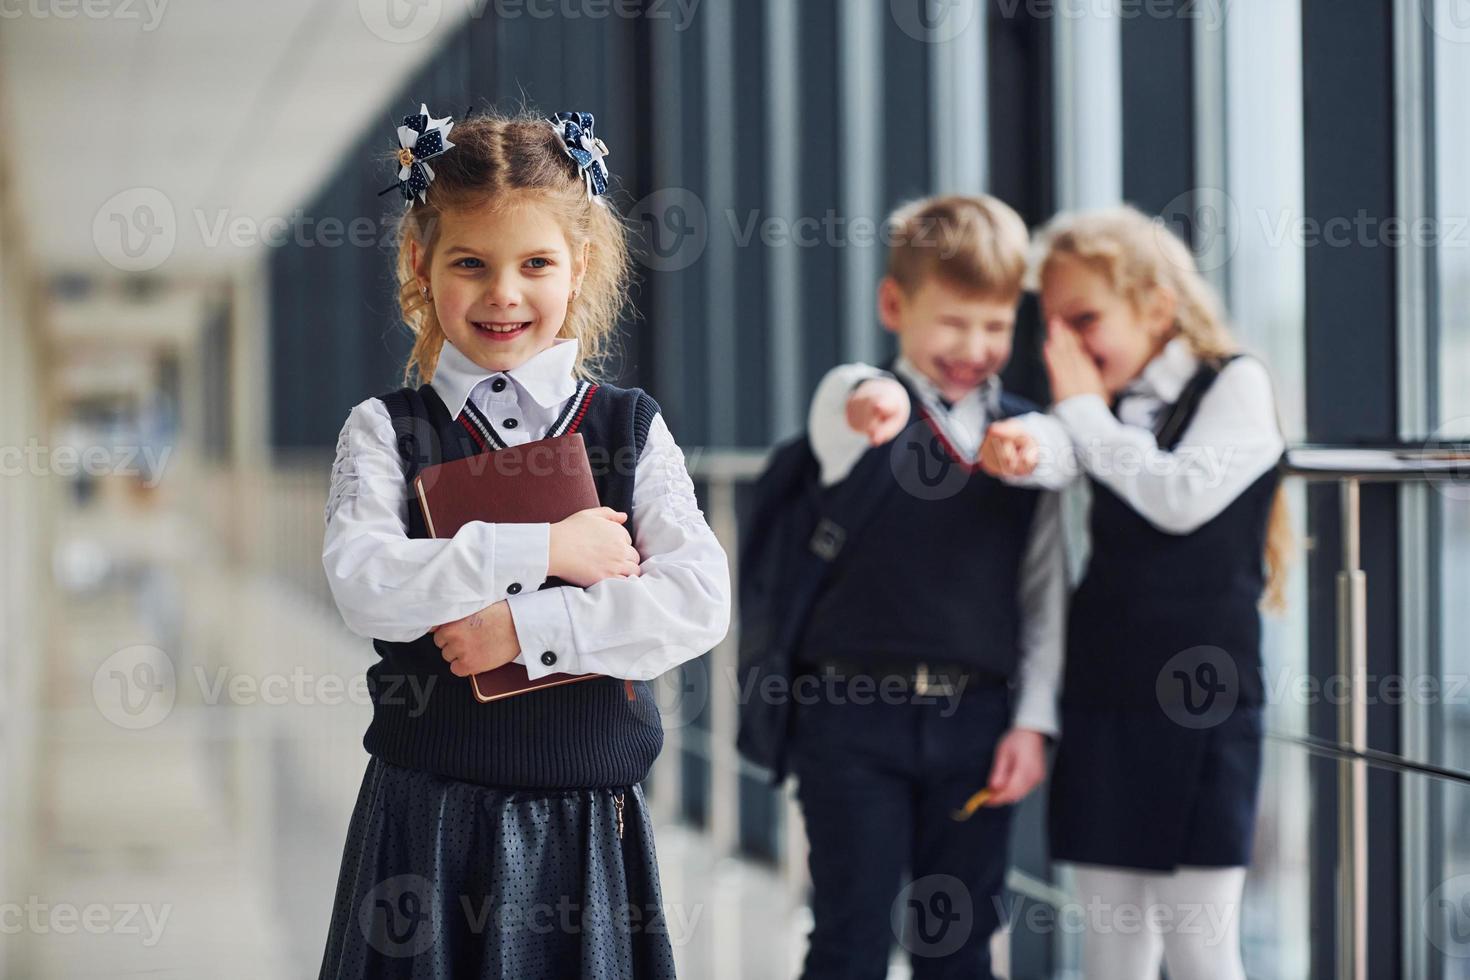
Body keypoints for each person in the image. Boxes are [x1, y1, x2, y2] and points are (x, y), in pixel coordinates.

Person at [317, 104, 731, 979]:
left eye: (535, 264)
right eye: (471, 263)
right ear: (422, 267)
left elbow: (698, 601)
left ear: (578, 266)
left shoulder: (628, 426)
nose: (504, 293)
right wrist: (542, 551)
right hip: (424, 823)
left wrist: (523, 632)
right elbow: (364, 585)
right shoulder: (384, 429)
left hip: (586, 828)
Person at [980, 205, 1292, 980]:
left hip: (1204, 702)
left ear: (1156, 305)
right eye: (1051, 328)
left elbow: (1179, 494)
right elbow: (1061, 446)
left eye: (1084, 319)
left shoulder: (1235, 385)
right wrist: (1032, 443)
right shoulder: (1099, 401)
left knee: (1200, 945)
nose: (1067, 350)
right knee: (1112, 951)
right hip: (1106, 692)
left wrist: (1080, 414)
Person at [792, 194, 1065, 979]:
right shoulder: (866, 403)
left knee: (961, 947)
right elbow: (841, 410)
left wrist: (1033, 724)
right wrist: (872, 403)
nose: (974, 347)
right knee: (848, 939)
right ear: (893, 305)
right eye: (952, 323)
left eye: (996, 325)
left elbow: (1044, 594)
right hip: (850, 722)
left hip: (977, 721)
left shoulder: (1025, 440)